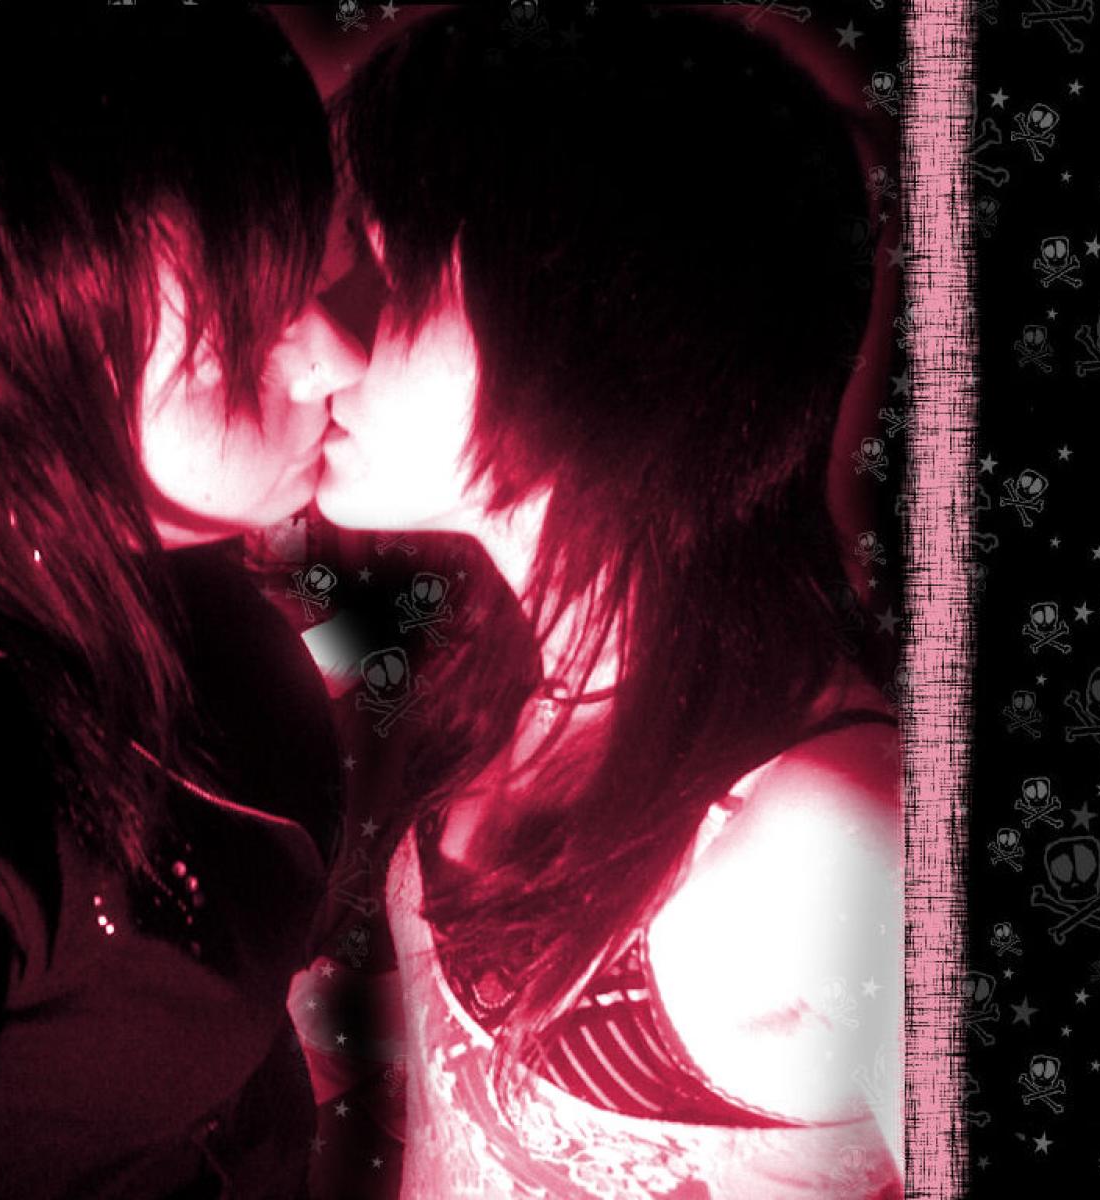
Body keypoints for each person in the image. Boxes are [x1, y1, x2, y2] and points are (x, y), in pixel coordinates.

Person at [316, 6, 905, 1197]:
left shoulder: (832, 832)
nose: (330, 343)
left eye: (395, 281)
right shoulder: (495, 660)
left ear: (588, 329)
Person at [0, 7, 366, 1198]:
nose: (337, 355)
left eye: (316, 273)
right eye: (244, 336)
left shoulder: (188, 554)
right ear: (23, 383)